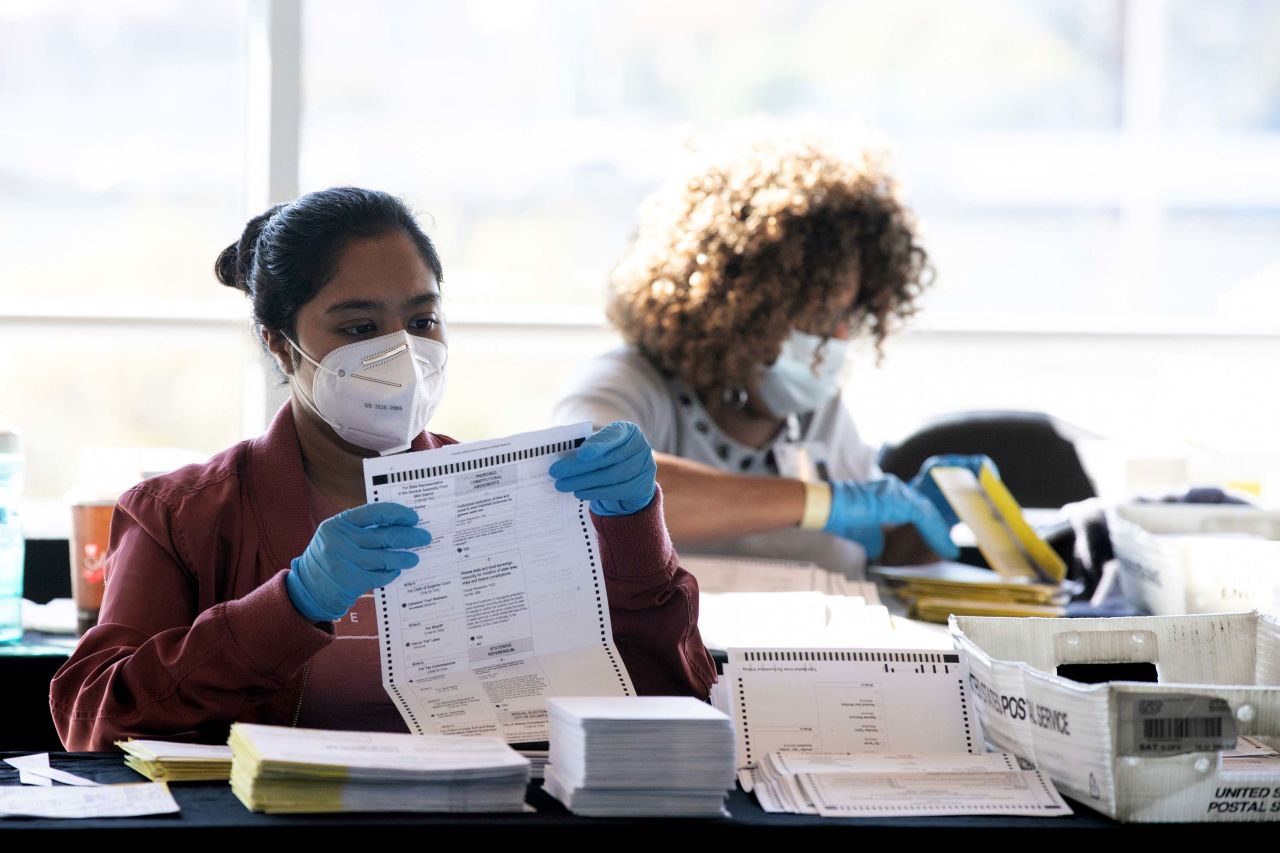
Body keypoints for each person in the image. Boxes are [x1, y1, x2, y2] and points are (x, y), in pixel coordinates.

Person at [51, 187, 716, 751]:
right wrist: (289, 604)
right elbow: (93, 718)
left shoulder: (516, 498)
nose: (400, 351)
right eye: (357, 325)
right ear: (279, 344)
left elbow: (673, 698)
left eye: (422, 319)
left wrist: (633, 530)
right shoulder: (183, 514)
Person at [553, 135, 989, 575]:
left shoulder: (816, 411)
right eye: (820, 316)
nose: (838, 336)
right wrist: (821, 502)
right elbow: (591, 480)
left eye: (847, 315)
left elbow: (878, 546)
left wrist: (927, 522)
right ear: (740, 306)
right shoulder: (627, 382)